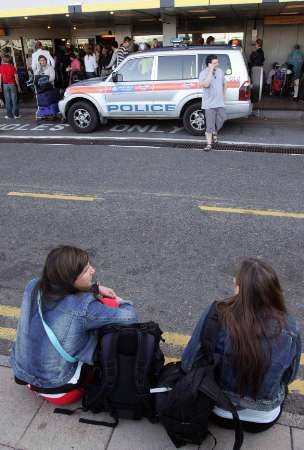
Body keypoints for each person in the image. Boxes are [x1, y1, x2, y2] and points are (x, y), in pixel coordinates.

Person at [182, 258, 301, 433]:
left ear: (240, 289)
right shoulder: (290, 327)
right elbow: (289, 377)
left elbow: (189, 363)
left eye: (236, 280)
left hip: (218, 410)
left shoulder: (217, 314)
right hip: (264, 418)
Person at [10, 245, 137, 405]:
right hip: (60, 389)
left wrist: (94, 288)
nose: (92, 270)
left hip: (24, 376)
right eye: (85, 270)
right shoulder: (82, 307)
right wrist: (119, 301)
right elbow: (130, 317)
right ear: (70, 279)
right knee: (108, 309)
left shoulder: (33, 286)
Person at [199, 54, 226, 151]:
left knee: (222, 119)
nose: (217, 64)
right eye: (215, 63)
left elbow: (224, 84)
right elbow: (206, 84)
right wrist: (210, 71)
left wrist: (224, 96)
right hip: (209, 104)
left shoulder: (220, 71)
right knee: (209, 125)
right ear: (209, 64)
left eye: (217, 62)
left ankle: (215, 131)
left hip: (219, 102)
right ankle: (209, 144)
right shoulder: (203, 73)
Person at [0, 54, 22, 119]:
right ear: (9, 60)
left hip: (5, 85)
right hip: (12, 84)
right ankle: (16, 115)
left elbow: (0, 77)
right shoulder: (12, 67)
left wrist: (0, 86)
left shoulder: (1, 67)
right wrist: (18, 86)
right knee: (14, 100)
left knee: (7, 100)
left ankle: (9, 115)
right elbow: (16, 78)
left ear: (3, 60)